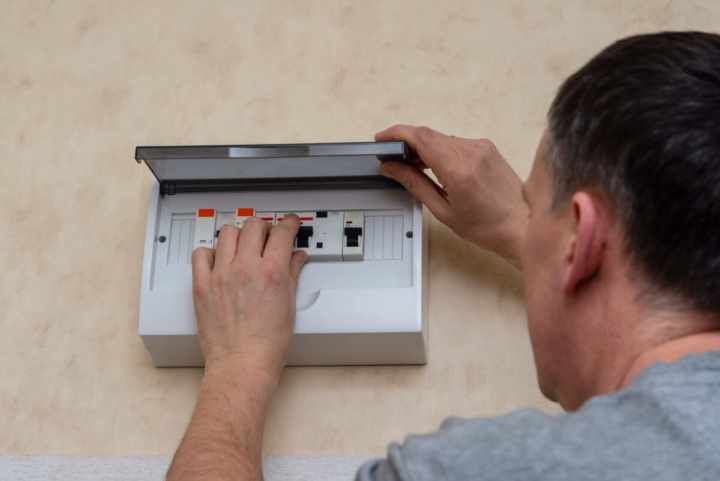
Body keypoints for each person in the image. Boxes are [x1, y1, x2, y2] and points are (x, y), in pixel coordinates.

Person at [166, 31, 720, 481]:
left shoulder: (482, 471)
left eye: (537, 208)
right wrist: (523, 227)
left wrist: (237, 367)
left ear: (582, 241)